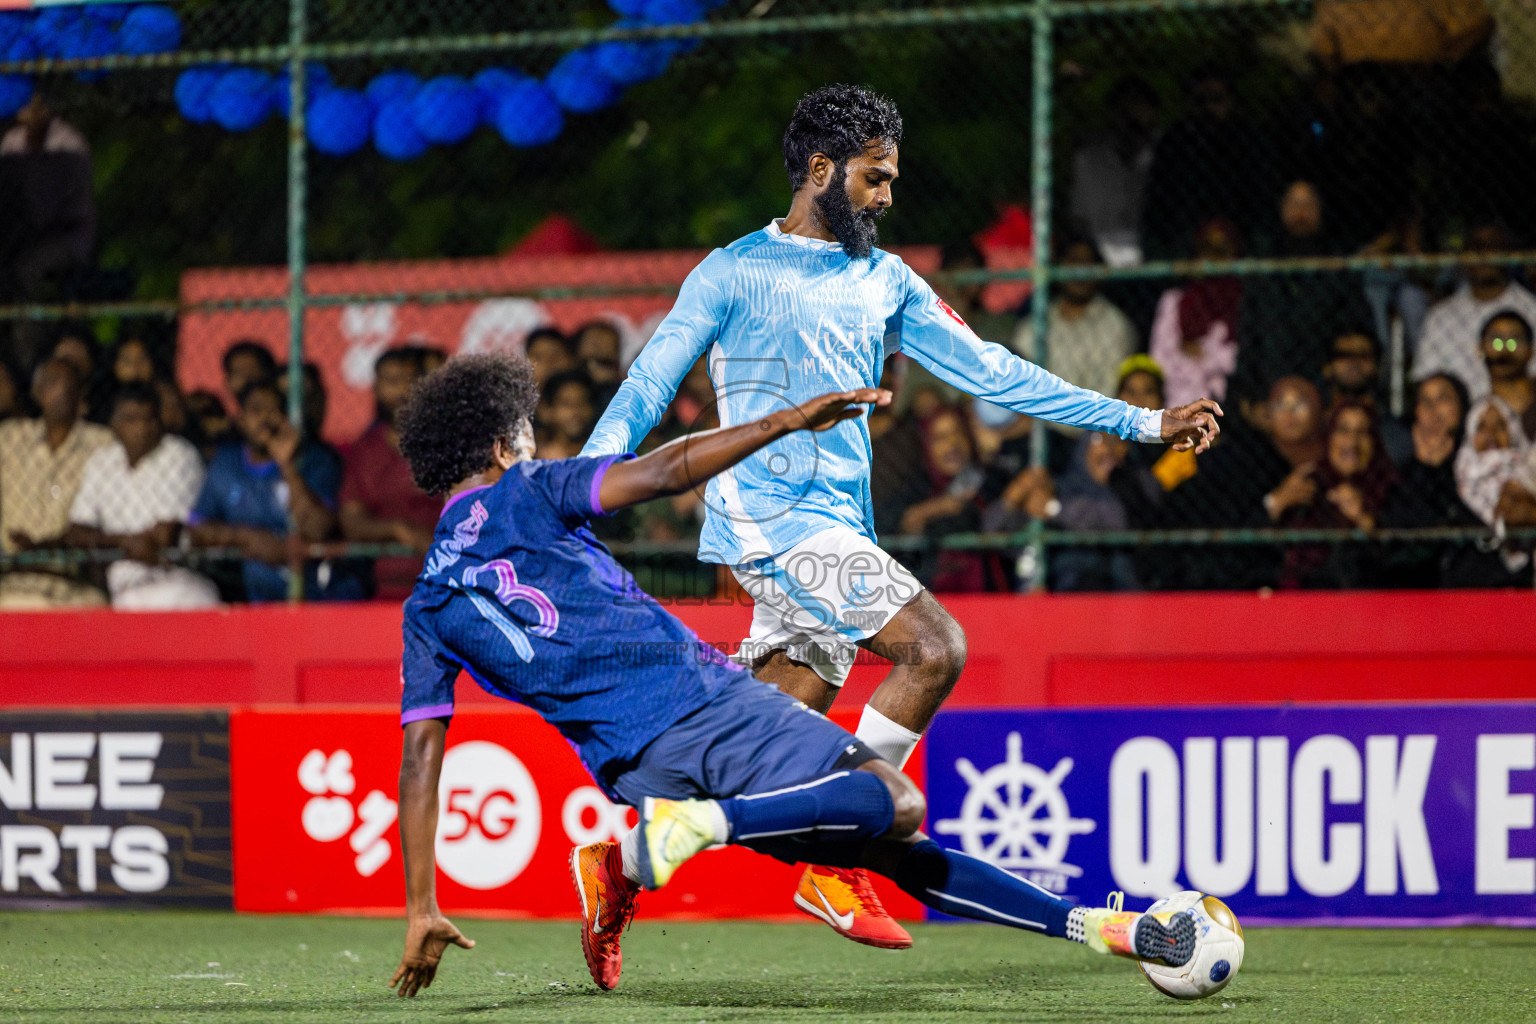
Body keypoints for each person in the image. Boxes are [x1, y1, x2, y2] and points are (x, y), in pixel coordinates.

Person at [580, 83, 1222, 947]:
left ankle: (617, 863)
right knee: (934, 645)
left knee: (760, 757)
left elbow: (995, 371)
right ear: (819, 170)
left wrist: (1141, 421)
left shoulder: (886, 281)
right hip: (771, 525)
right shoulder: (731, 272)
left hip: (839, 528)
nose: (887, 196)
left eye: (891, 178)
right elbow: (648, 384)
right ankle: (839, 857)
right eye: (875, 178)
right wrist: (580, 485)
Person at [385, 352, 1202, 997]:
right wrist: (786, 420)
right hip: (708, 707)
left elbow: (421, 758)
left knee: (889, 844)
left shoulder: (425, 606)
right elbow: (667, 472)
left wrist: (422, 906)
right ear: (501, 448)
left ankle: (1109, 931)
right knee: (897, 802)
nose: (536, 445)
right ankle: (697, 831)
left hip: (635, 773)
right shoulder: (529, 488)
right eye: (526, 434)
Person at [188, 380, 359, 602]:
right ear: (240, 419)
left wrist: (287, 465)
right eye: (256, 410)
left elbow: (318, 529)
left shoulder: (316, 460)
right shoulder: (225, 463)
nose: (266, 419)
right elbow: (196, 528)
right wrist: (247, 538)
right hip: (250, 591)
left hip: (316, 588)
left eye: (275, 410)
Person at [56, 383, 219, 609]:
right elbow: (76, 533)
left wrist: (105, 541)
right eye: (130, 419)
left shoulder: (179, 454)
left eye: (149, 418)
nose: (142, 427)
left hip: (174, 578)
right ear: (113, 424)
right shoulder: (102, 461)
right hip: (121, 582)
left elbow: (163, 537)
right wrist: (126, 542)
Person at [0, 359, 112, 607]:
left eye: (61, 381)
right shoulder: (10, 439)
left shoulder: (102, 444)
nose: (52, 389)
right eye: (46, 382)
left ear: (80, 393)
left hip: (77, 583)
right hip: (14, 580)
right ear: (35, 392)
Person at [0, 94, 95, 371]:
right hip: (22, 238)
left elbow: (66, 207)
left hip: (67, 236)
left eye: (37, 107)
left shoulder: (69, 143)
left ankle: (29, 356)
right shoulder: (11, 144)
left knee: (30, 270)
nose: (31, 114)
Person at [339, 348, 439, 601]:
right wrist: (397, 529)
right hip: (388, 589)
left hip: (450, 581)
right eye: (392, 382)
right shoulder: (365, 451)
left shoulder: (451, 444)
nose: (403, 391)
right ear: (376, 389)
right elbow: (351, 521)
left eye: (411, 381)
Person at [1278, 400, 1400, 588]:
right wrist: (1277, 503)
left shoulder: (1390, 489)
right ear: (1329, 438)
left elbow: (1405, 562)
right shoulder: (1307, 485)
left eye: (1362, 432)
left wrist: (1363, 520)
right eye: (1343, 430)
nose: (1352, 442)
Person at [1412, 221, 1536, 401]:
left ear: (1508, 253)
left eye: (1492, 246)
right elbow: (1425, 380)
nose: (1483, 253)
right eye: (1476, 246)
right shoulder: (1440, 317)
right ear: (1464, 256)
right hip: (1458, 420)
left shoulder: (1531, 310)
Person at [1009, 235, 1137, 404]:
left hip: (1095, 421)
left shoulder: (1115, 326)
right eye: (1073, 261)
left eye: (1087, 262)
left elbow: (1111, 393)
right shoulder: (1038, 321)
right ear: (1058, 267)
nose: (1079, 270)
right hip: (1040, 418)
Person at [1148, 219, 1242, 409]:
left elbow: (1234, 363)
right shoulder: (1173, 301)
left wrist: (1198, 356)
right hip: (1174, 402)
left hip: (1223, 405)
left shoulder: (1241, 304)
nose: (1214, 258)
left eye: (1221, 251)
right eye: (1208, 249)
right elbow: (1158, 360)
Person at [1069, 74, 1160, 267]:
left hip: (1153, 255)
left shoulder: (1164, 157)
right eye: (1124, 108)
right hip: (1101, 258)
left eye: (1139, 107)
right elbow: (1080, 221)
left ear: (1153, 112)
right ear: (1112, 113)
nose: (1131, 115)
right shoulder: (1089, 159)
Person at [1321, 328, 1410, 465]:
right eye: (1343, 355)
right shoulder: (1314, 419)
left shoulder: (1393, 430)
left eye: (1364, 355)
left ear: (1377, 367)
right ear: (1327, 368)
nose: (1353, 362)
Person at [1477, 310, 1535, 440]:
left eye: (1515, 340)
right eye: (1495, 340)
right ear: (1480, 350)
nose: (1505, 349)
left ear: (1531, 351)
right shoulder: (1477, 418)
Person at [534, 369, 597, 460]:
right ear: (546, 410)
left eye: (582, 403)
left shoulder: (605, 454)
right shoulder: (533, 455)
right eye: (566, 404)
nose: (575, 412)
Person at [573, 320, 625, 412]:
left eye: (606, 342)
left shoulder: (623, 387)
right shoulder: (564, 381)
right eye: (594, 342)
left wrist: (609, 385)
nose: (599, 348)